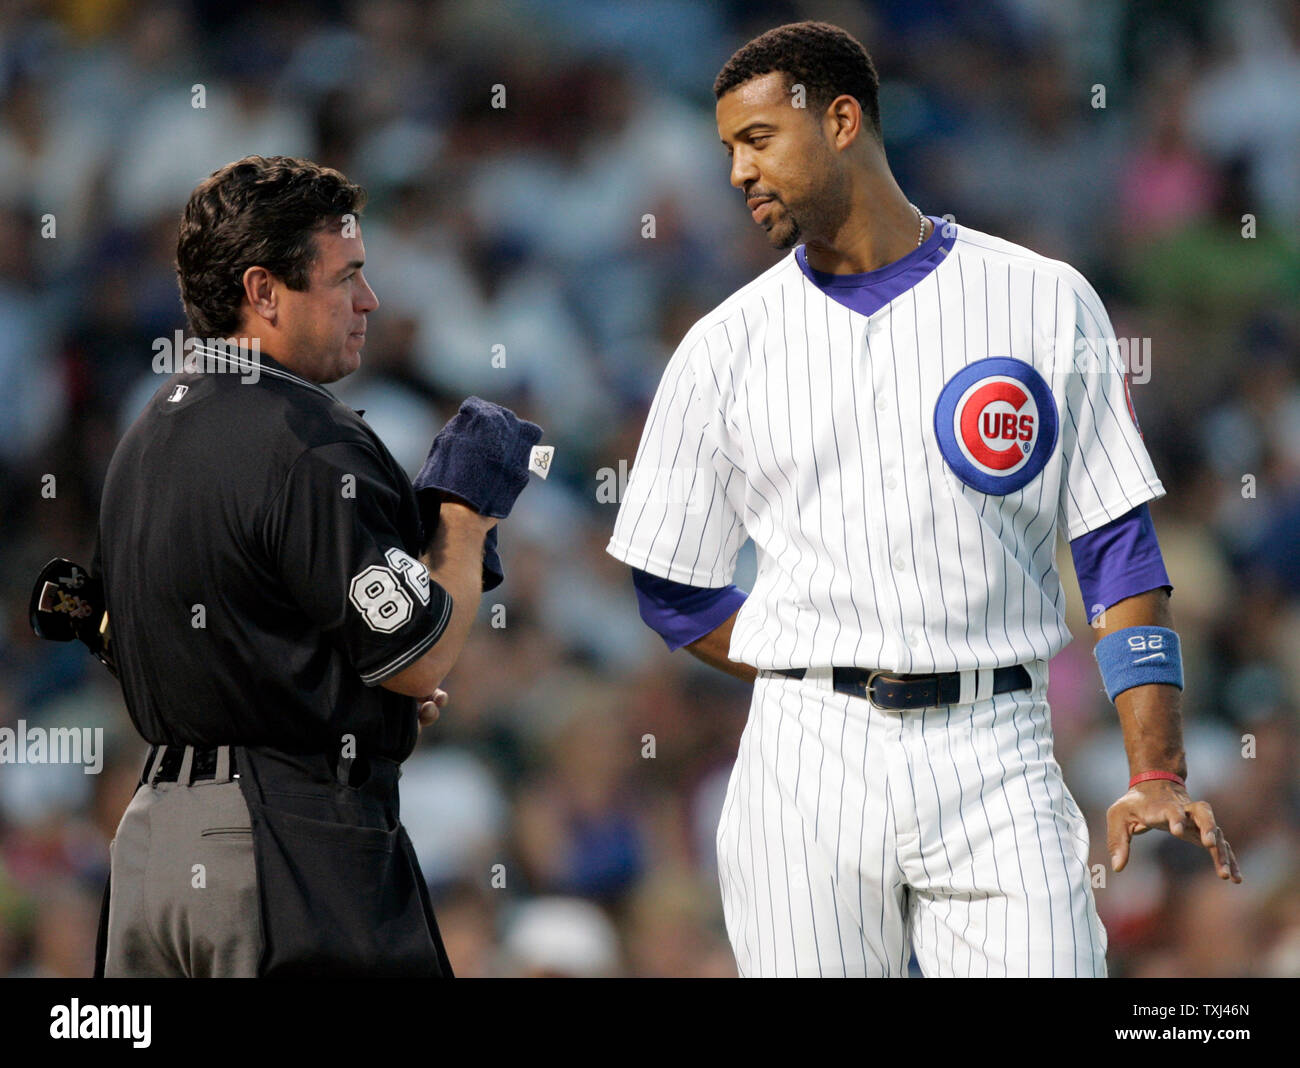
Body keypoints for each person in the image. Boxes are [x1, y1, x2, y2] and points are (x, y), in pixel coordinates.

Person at [607, 21, 1241, 978]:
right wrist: (811, 661)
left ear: (843, 119)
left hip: (998, 744)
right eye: (728, 149)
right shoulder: (723, 344)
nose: (737, 171)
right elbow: (670, 586)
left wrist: (1155, 769)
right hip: (805, 759)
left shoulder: (1041, 297)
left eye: (758, 139)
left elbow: (1117, 547)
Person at [93, 154, 514, 977]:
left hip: (150, 851)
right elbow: (418, 658)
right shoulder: (308, 437)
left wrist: (342, 699)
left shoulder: (144, 436)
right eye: (347, 276)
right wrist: (465, 520)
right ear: (263, 291)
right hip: (284, 839)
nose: (369, 300)